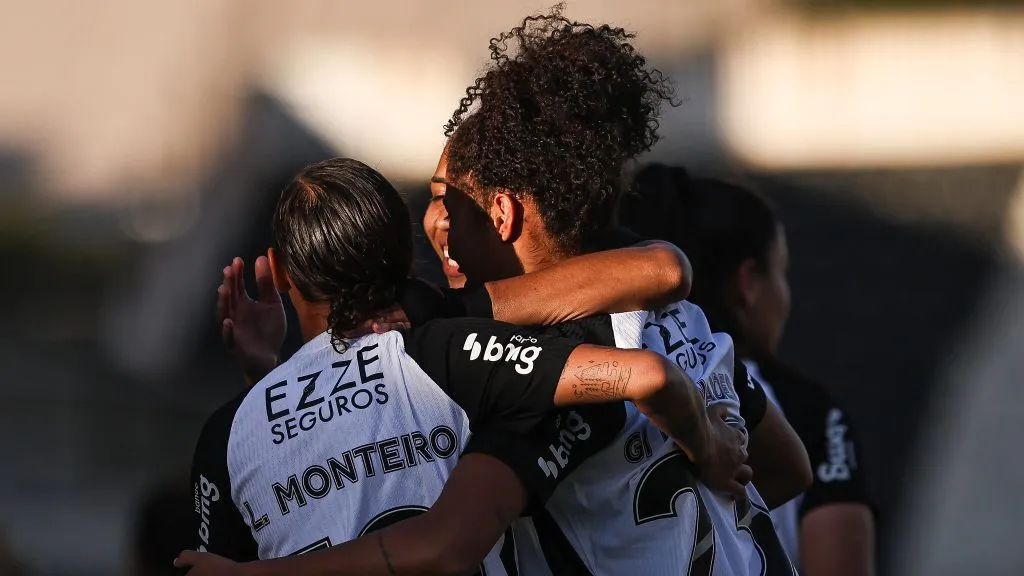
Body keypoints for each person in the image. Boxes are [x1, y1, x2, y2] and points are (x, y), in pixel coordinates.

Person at [178, 7, 808, 576]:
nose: (437, 223)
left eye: (445, 199)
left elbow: (440, 535)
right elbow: (787, 470)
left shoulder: (530, 364)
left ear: (502, 213)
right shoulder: (682, 321)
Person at [181, 157, 744, 571]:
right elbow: (646, 371)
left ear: (281, 273)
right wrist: (710, 448)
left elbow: (317, 455)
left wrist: (265, 378)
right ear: (406, 253)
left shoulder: (228, 432)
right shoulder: (446, 352)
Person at [620, 164, 877, 576]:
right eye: (782, 272)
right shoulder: (808, 411)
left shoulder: (597, 375)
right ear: (749, 282)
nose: (785, 295)